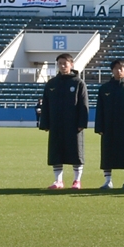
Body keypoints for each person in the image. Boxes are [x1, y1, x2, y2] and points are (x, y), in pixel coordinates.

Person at [39, 53, 88, 189]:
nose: (62, 66)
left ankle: (77, 181)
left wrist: (81, 123)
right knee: (56, 152)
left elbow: (84, 105)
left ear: (71, 64)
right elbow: (46, 105)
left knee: (76, 153)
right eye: (60, 63)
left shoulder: (78, 83)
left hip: (73, 125)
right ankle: (58, 181)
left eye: (65, 63)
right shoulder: (52, 84)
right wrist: (45, 123)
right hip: (56, 124)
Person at [94, 59, 124, 189]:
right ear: (112, 70)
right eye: (116, 68)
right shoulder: (105, 88)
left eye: (121, 68)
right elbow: (100, 109)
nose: (118, 70)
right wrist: (99, 126)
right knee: (108, 154)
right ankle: (108, 181)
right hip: (109, 128)